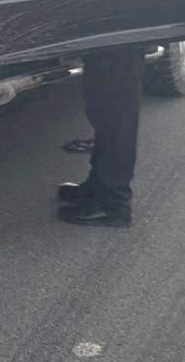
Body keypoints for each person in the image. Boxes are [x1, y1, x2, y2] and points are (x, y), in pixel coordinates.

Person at [56, 46, 146, 227]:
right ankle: (99, 186)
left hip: (119, 35)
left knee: (115, 115)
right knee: (103, 109)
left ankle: (113, 204)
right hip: (107, 38)